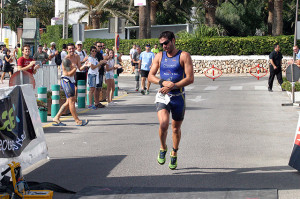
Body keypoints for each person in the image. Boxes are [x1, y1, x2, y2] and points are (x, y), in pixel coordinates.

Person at [148, 31, 194, 170]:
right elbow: (150, 76)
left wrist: (174, 85)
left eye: (166, 43)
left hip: (178, 96)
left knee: (175, 128)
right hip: (163, 95)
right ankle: (163, 148)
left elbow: (190, 78)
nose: (164, 46)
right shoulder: (159, 56)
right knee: (163, 124)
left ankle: (174, 152)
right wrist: (162, 82)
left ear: (173, 40)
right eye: (162, 44)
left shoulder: (184, 56)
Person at [52, 43, 89, 126]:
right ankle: (77, 121)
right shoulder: (66, 60)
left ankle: (56, 117)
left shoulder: (77, 57)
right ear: (67, 50)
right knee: (72, 101)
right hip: (66, 80)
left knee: (68, 102)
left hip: (72, 81)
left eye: (72, 48)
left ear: (75, 48)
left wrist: (85, 65)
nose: (71, 50)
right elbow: (67, 73)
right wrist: (75, 68)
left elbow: (80, 68)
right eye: (69, 49)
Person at [94, 42, 106, 108]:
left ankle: (98, 101)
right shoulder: (95, 54)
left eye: (101, 46)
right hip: (97, 72)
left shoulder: (100, 54)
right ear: (95, 46)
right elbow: (96, 64)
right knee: (96, 88)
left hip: (101, 72)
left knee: (99, 88)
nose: (100, 48)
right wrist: (101, 62)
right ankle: (96, 102)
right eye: (99, 46)